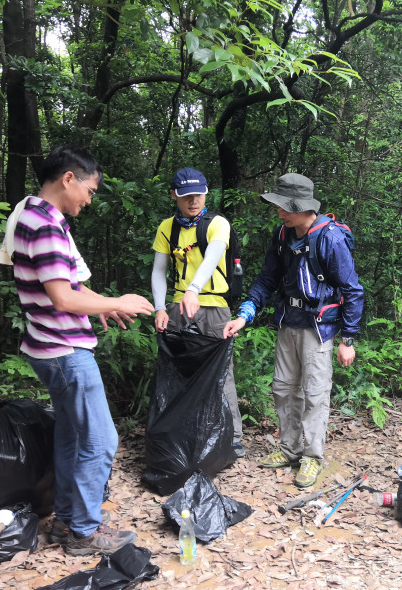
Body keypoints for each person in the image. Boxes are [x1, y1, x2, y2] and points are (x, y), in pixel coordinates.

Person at [7, 146, 154, 556]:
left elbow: (73, 286)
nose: (89, 200)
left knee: (72, 437)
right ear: (68, 178)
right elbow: (63, 299)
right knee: (101, 440)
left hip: (48, 346)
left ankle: (67, 522)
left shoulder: (34, 215)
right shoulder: (47, 226)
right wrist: (117, 303)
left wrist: (106, 304)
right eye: (88, 190)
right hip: (64, 350)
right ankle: (85, 533)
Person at [223, 173, 364, 488]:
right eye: (280, 206)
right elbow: (266, 279)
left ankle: (312, 458)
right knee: (284, 388)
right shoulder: (282, 235)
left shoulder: (330, 238)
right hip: (288, 320)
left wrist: (348, 339)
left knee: (315, 393)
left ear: (303, 206)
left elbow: (353, 290)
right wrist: (246, 312)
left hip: (319, 327)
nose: (280, 212)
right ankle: (289, 449)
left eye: (286, 207)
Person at [150, 168, 245, 457]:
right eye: (186, 196)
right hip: (178, 308)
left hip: (214, 307)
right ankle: (185, 434)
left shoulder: (218, 224)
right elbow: (158, 270)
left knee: (220, 373)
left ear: (206, 193)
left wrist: (193, 289)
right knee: (179, 372)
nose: (194, 201)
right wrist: (159, 308)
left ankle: (233, 438)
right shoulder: (167, 228)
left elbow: (213, 257)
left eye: (199, 194)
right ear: (174, 196)